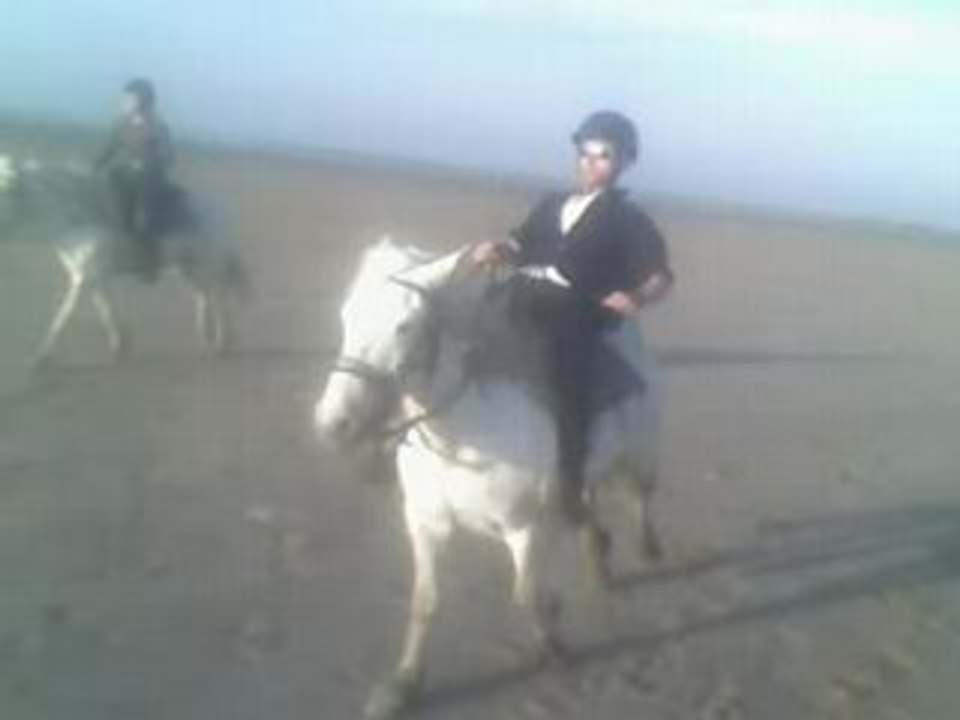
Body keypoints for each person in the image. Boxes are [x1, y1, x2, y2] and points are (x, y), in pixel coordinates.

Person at [471, 110, 674, 524]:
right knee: (455, 326)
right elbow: (516, 244)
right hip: (521, 293)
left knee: (566, 379)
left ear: (623, 162)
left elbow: (661, 276)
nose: (590, 163)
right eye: (585, 153)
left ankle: (570, 479)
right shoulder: (551, 204)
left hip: (575, 309)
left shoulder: (627, 220)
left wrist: (635, 295)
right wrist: (496, 250)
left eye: (604, 155)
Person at [95, 77, 174, 279]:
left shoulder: (158, 126)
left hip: (149, 181)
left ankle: (149, 263)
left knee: (145, 218)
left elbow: (167, 157)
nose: (124, 103)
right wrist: (91, 167)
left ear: (143, 101)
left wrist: (144, 164)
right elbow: (106, 150)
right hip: (122, 178)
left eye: (129, 99)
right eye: (124, 99)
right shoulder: (120, 124)